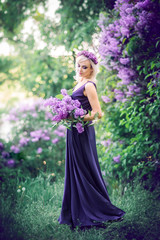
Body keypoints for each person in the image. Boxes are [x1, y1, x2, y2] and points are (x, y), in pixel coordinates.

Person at [57, 50, 126, 231]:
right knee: (75, 170)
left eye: (84, 67)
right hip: (73, 131)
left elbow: (98, 113)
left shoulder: (89, 85)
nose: (80, 69)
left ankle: (96, 210)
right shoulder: (78, 83)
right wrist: (66, 115)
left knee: (85, 169)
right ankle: (75, 212)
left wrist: (75, 117)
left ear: (91, 69)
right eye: (78, 65)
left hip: (83, 132)